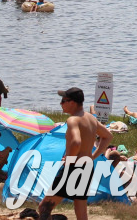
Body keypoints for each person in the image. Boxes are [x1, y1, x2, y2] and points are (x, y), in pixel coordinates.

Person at [37, 87, 112, 220]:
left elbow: (76, 142)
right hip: (87, 166)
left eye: (63, 100)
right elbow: (108, 136)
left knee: (44, 207)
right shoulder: (91, 118)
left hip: (73, 166)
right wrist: (94, 156)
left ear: (72, 102)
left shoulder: (73, 120)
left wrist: (69, 160)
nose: (61, 104)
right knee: (81, 211)